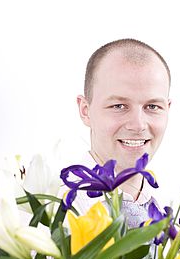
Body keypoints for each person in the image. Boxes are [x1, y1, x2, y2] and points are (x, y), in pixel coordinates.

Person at [70, 38, 171, 226]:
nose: (138, 125)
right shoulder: (54, 217)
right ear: (85, 110)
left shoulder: (170, 218)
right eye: (119, 106)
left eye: (152, 106)